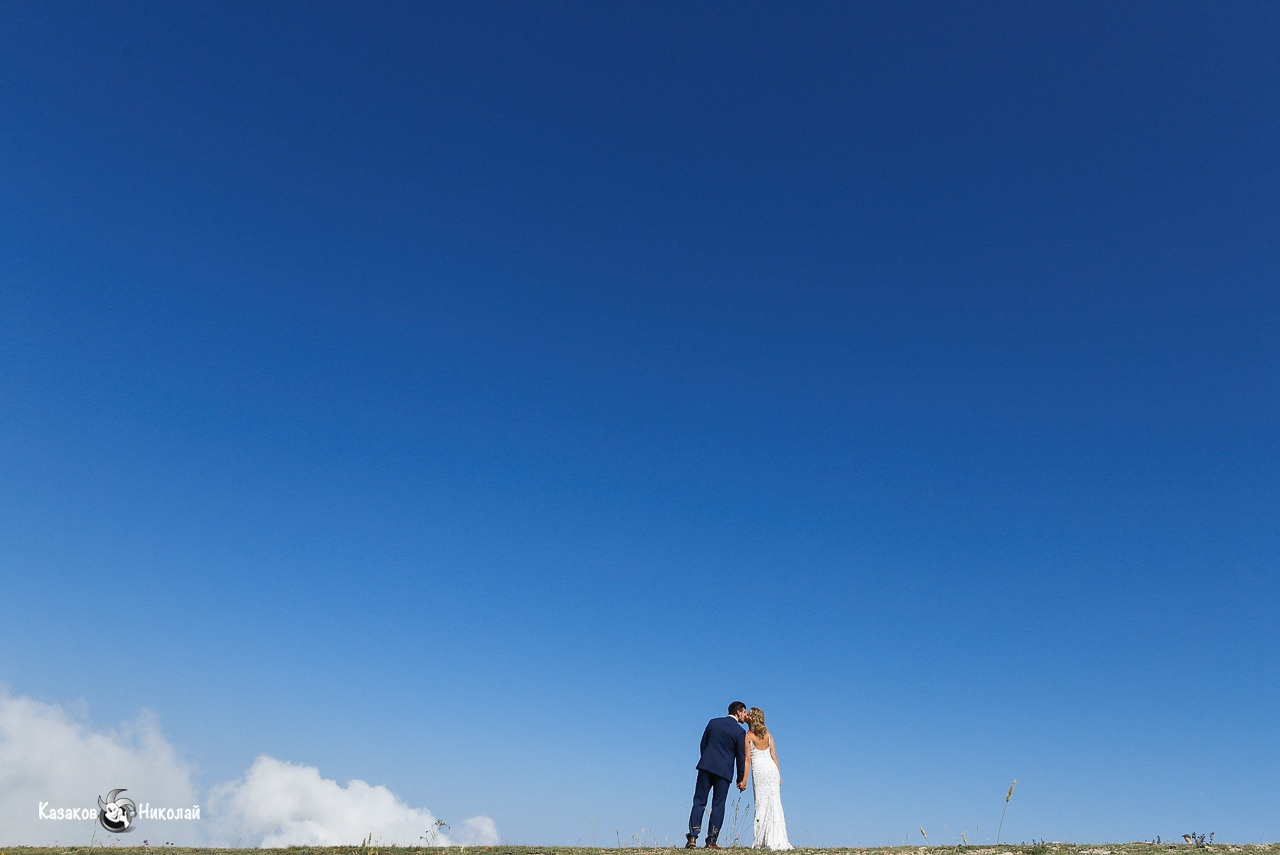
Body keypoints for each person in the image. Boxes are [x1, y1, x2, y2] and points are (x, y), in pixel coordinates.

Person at [686, 701, 749, 849]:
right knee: (718, 806)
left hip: (706, 767)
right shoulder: (739, 732)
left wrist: (706, 759)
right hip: (724, 772)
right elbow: (741, 756)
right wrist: (740, 779)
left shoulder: (713, 722)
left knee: (699, 801)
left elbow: (703, 744)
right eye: (744, 712)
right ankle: (711, 841)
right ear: (739, 711)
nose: (745, 716)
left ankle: (693, 836)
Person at [739, 707, 792, 850]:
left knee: (761, 803)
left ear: (753, 718)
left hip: (760, 771)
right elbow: (774, 755)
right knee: (775, 803)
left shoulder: (748, 736)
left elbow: (747, 760)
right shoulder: (768, 735)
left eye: (749, 714)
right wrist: (779, 775)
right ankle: (778, 838)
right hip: (772, 771)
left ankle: (762, 840)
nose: (747, 716)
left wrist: (744, 780)